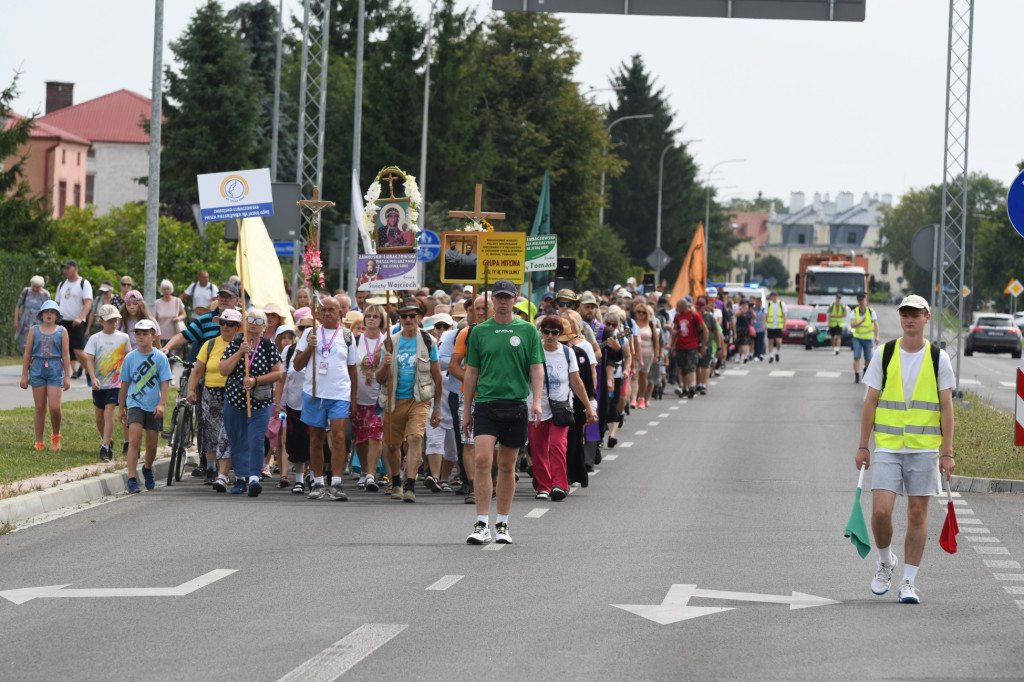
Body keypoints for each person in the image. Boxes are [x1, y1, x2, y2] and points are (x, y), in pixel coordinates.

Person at [856, 295, 955, 604]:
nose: (909, 318)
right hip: (887, 447)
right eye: (905, 313)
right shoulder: (883, 354)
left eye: (915, 313)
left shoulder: (939, 358)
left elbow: (947, 407)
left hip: (924, 449)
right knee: (881, 512)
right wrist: (863, 445)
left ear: (927, 317)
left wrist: (947, 452)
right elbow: (870, 401)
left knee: (916, 513)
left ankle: (909, 582)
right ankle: (886, 561)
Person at [462, 280, 545, 544]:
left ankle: (503, 524)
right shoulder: (479, 331)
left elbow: (536, 368)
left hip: (516, 404)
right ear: (492, 299)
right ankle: (481, 523)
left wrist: (537, 401)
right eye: (498, 297)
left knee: (507, 465)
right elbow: (471, 371)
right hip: (486, 403)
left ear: (515, 298)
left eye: (507, 297)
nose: (502, 301)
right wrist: (467, 410)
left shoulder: (528, 330)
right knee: (482, 460)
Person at [374, 298, 443, 502]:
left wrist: (437, 408)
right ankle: (396, 482)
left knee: (415, 438)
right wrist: (383, 365)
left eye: (412, 315)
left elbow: (437, 377)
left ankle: (410, 485)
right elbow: (378, 379)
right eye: (404, 316)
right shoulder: (390, 342)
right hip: (394, 400)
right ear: (400, 318)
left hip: (419, 399)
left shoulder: (429, 341)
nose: (408, 319)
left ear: (420, 318)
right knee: (392, 445)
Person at [293, 296, 357, 501]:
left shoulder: (347, 336)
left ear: (340, 312)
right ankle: (318, 482)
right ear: (317, 313)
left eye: (331, 309)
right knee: (316, 438)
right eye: (323, 310)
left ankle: (336, 483)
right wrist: (311, 347)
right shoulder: (311, 333)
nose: (327, 313)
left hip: (339, 394)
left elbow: (352, 369)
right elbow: (296, 365)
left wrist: (353, 399)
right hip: (314, 393)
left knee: (338, 437)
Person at [218, 309, 284, 497]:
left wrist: (255, 380)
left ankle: (254, 478)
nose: (254, 323)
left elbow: (278, 373)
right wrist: (239, 352)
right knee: (237, 439)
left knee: (255, 439)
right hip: (234, 400)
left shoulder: (268, 346)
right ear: (245, 324)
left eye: (258, 320)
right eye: (250, 319)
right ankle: (240, 478)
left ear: (264, 327)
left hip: (260, 402)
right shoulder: (236, 343)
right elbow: (223, 369)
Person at [188, 308, 241, 489]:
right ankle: (211, 468)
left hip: (233, 393)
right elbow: (197, 370)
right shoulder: (209, 344)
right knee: (210, 430)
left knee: (226, 433)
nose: (225, 327)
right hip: (210, 392)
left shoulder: (242, 346)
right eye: (223, 323)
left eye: (230, 324)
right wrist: (191, 390)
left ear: (237, 328)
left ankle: (223, 473)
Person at [118, 319, 172, 493]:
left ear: (153, 336)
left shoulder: (160, 357)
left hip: (153, 405)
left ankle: (147, 468)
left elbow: (165, 383)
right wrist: (121, 407)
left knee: (152, 445)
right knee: (134, 440)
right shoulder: (130, 358)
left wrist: (162, 404)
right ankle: (131, 479)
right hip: (134, 403)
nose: (141, 337)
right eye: (138, 334)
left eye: (145, 334)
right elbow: (125, 384)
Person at [20, 300, 71, 451]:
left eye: (52, 312)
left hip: (55, 368)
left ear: (57, 315)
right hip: (37, 369)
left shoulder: (62, 331)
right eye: (46, 311)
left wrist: (67, 376)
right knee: (40, 407)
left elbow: (66, 355)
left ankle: (56, 437)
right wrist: (24, 375)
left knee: (55, 407)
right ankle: (39, 442)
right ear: (41, 314)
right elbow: (28, 353)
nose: (49, 314)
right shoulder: (34, 330)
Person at [84, 305, 131, 461]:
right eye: (110, 320)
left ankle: (104, 447)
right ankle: (108, 440)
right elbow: (89, 360)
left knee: (109, 412)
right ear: (101, 321)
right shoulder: (95, 338)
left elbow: (129, 358)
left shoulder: (124, 338)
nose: (114, 323)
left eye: (116, 320)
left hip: (116, 383)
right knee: (99, 415)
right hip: (99, 383)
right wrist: (92, 377)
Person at [352, 304, 387, 493]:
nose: (371, 319)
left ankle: (372, 474)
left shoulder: (386, 341)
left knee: (375, 435)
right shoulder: (356, 341)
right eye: (368, 316)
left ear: (381, 320)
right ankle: (365, 471)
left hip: (378, 397)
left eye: (375, 316)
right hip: (359, 396)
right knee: (361, 438)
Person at [279, 309, 314, 494]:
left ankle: (315, 476)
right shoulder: (289, 350)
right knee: (297, 440)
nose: (306, 331)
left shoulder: (319, 346)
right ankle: (299, 479)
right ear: (297, 329)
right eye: (302, 328)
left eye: (310, 327)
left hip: (314, 401)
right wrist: (279, 401)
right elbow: (282, 377)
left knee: (315, 440)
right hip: (293, 402)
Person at [422, 312, 457, 491]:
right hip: (433, 404)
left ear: (452, 328)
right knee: (434, 442)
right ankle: (435, 478)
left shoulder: (458, 346)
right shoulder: (425, 346)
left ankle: (444, 478)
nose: (441, 330)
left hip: (454, 405)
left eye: (446, 326)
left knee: (453, 451)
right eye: (438, 326)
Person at [162, 283, 240, 361]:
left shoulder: (242, 322)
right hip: (207, 369)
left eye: (228, 297)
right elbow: (184, 335)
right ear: (218, 298)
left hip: (235, 369)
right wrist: (167, 348)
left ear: (237, 300)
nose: (224, 299)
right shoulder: (205, 318)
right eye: (222, 296)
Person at [55, 259, 93, 382]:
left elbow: (88, 303)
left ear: (75, 268)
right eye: (64, 268)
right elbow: (58, 303)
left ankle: (91, 370)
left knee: (78, 350)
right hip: (62, 321)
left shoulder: (83, 283)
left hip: (76, 321)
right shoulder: (62, 284)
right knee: (63, 349)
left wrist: (80, 318)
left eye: (68, 268)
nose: (66, 271)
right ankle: (64, 373)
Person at [670, 297, 708, 399]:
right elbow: (675, 330)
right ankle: (685, 388)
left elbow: (705, 330)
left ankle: (692, 387)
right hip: (680, 346)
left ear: (683, 307)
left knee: (691, 366)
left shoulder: (694, 315)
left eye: (678, 307)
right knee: (683, 368)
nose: (676, 309)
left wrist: (703, 345)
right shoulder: (678, 316)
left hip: (692, 346)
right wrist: (672, 345)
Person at [14, 275, 50, 355]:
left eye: (38, 287)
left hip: (39, 322)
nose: (35, 289)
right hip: (25, 322)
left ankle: (35, 362)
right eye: (34, 286)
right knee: (24, 344)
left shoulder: (45, 294)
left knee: (38, 343)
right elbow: (18, 306)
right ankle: (27, 362)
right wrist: (16, 321)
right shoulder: (26, 291)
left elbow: (49, 310)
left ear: (41, 286)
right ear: (31, 284)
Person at [632, 302, 659, 408]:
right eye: (639, 312)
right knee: (635, 376)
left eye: (643, 312)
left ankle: (642, 398)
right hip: (635, 354)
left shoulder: (651, 324)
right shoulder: (633, 323)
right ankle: (633, 398)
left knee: (643, 377)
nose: (641, 314)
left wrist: (657, 355)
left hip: (648, 354)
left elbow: (656, 341)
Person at [849, 292, 880, 384]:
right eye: (859, 300)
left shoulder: (871, 311)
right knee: (856, 357)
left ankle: (865, 372)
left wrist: (877, 336)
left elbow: (876, 324)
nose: (861, 302)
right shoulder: (854, 312)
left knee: (868, 359)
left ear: (865, 300)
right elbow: (852, 325)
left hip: (868, 338)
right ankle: (857, 375)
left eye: (862, 300)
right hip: (857, 338)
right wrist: (861, 322)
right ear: (857, 301)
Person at [155, 280, 187, 345]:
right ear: (161, 290)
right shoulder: (157, 303)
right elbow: (155, 319)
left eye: (167, 289)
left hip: (174, 335)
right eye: (164, 289)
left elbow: (184, 314)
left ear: (171, 289)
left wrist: (179, 318)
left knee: (172, 355)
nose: (166, 291)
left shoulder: (177, 301)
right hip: (160, 335)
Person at [764, 290, 786, 364]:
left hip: (778, 325)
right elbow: (765, 315)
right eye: (771, 296)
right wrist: (764, 324)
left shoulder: (781, 304)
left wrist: (784, 325)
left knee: (778, 341)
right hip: (770, 326)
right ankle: (771, 356)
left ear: (776, 296)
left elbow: (784, 315)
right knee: (770, 342)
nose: (772, 298)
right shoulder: (768, 305)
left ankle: (777, 352)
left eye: (774, 296)